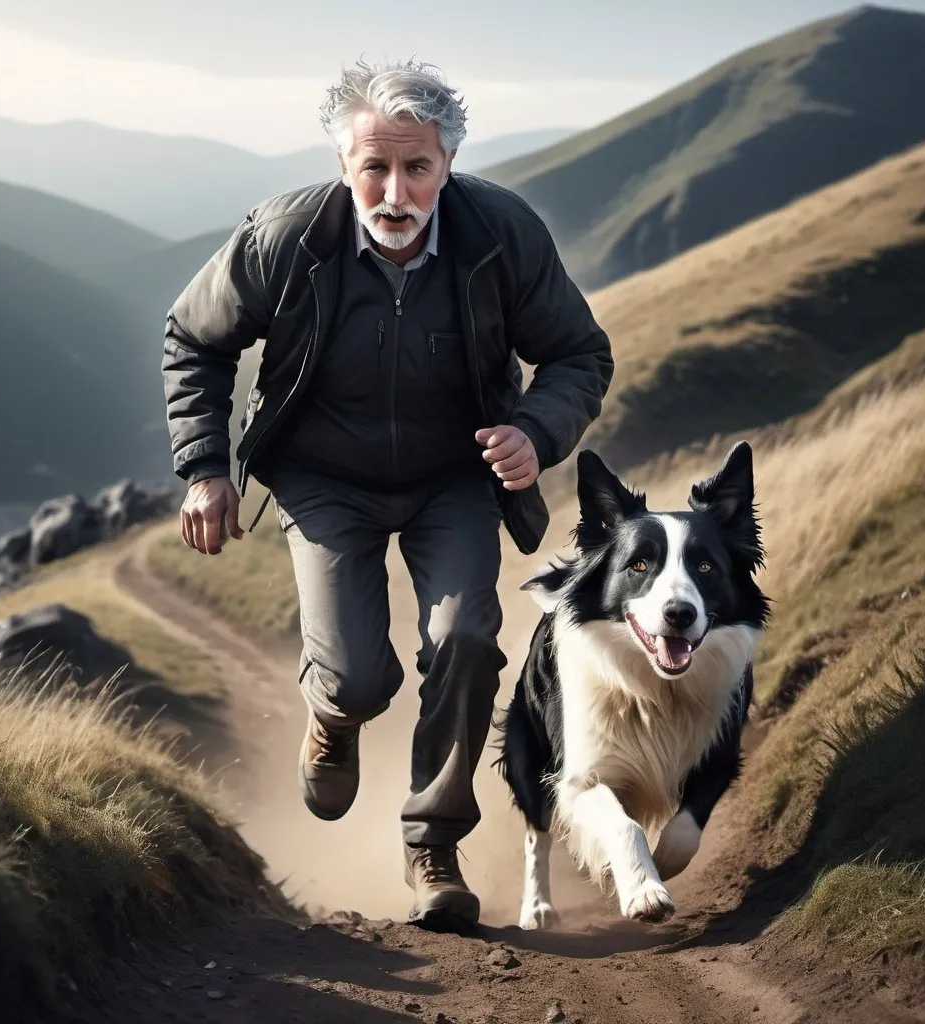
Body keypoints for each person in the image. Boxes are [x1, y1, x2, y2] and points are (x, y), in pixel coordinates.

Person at [161, 58, 613, 930]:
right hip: (325, 478)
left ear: (448, 164)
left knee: (468, 638)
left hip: (456, 476)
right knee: (361, 676)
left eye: (418, 167)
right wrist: (204, 468)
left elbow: (578, 354)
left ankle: (431, 845)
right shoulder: (285, 238)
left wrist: (535, 431)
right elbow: (194, 336)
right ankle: (335, 712)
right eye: (375, 166)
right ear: (343, 164)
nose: (395, 191)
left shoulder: (501, 233)